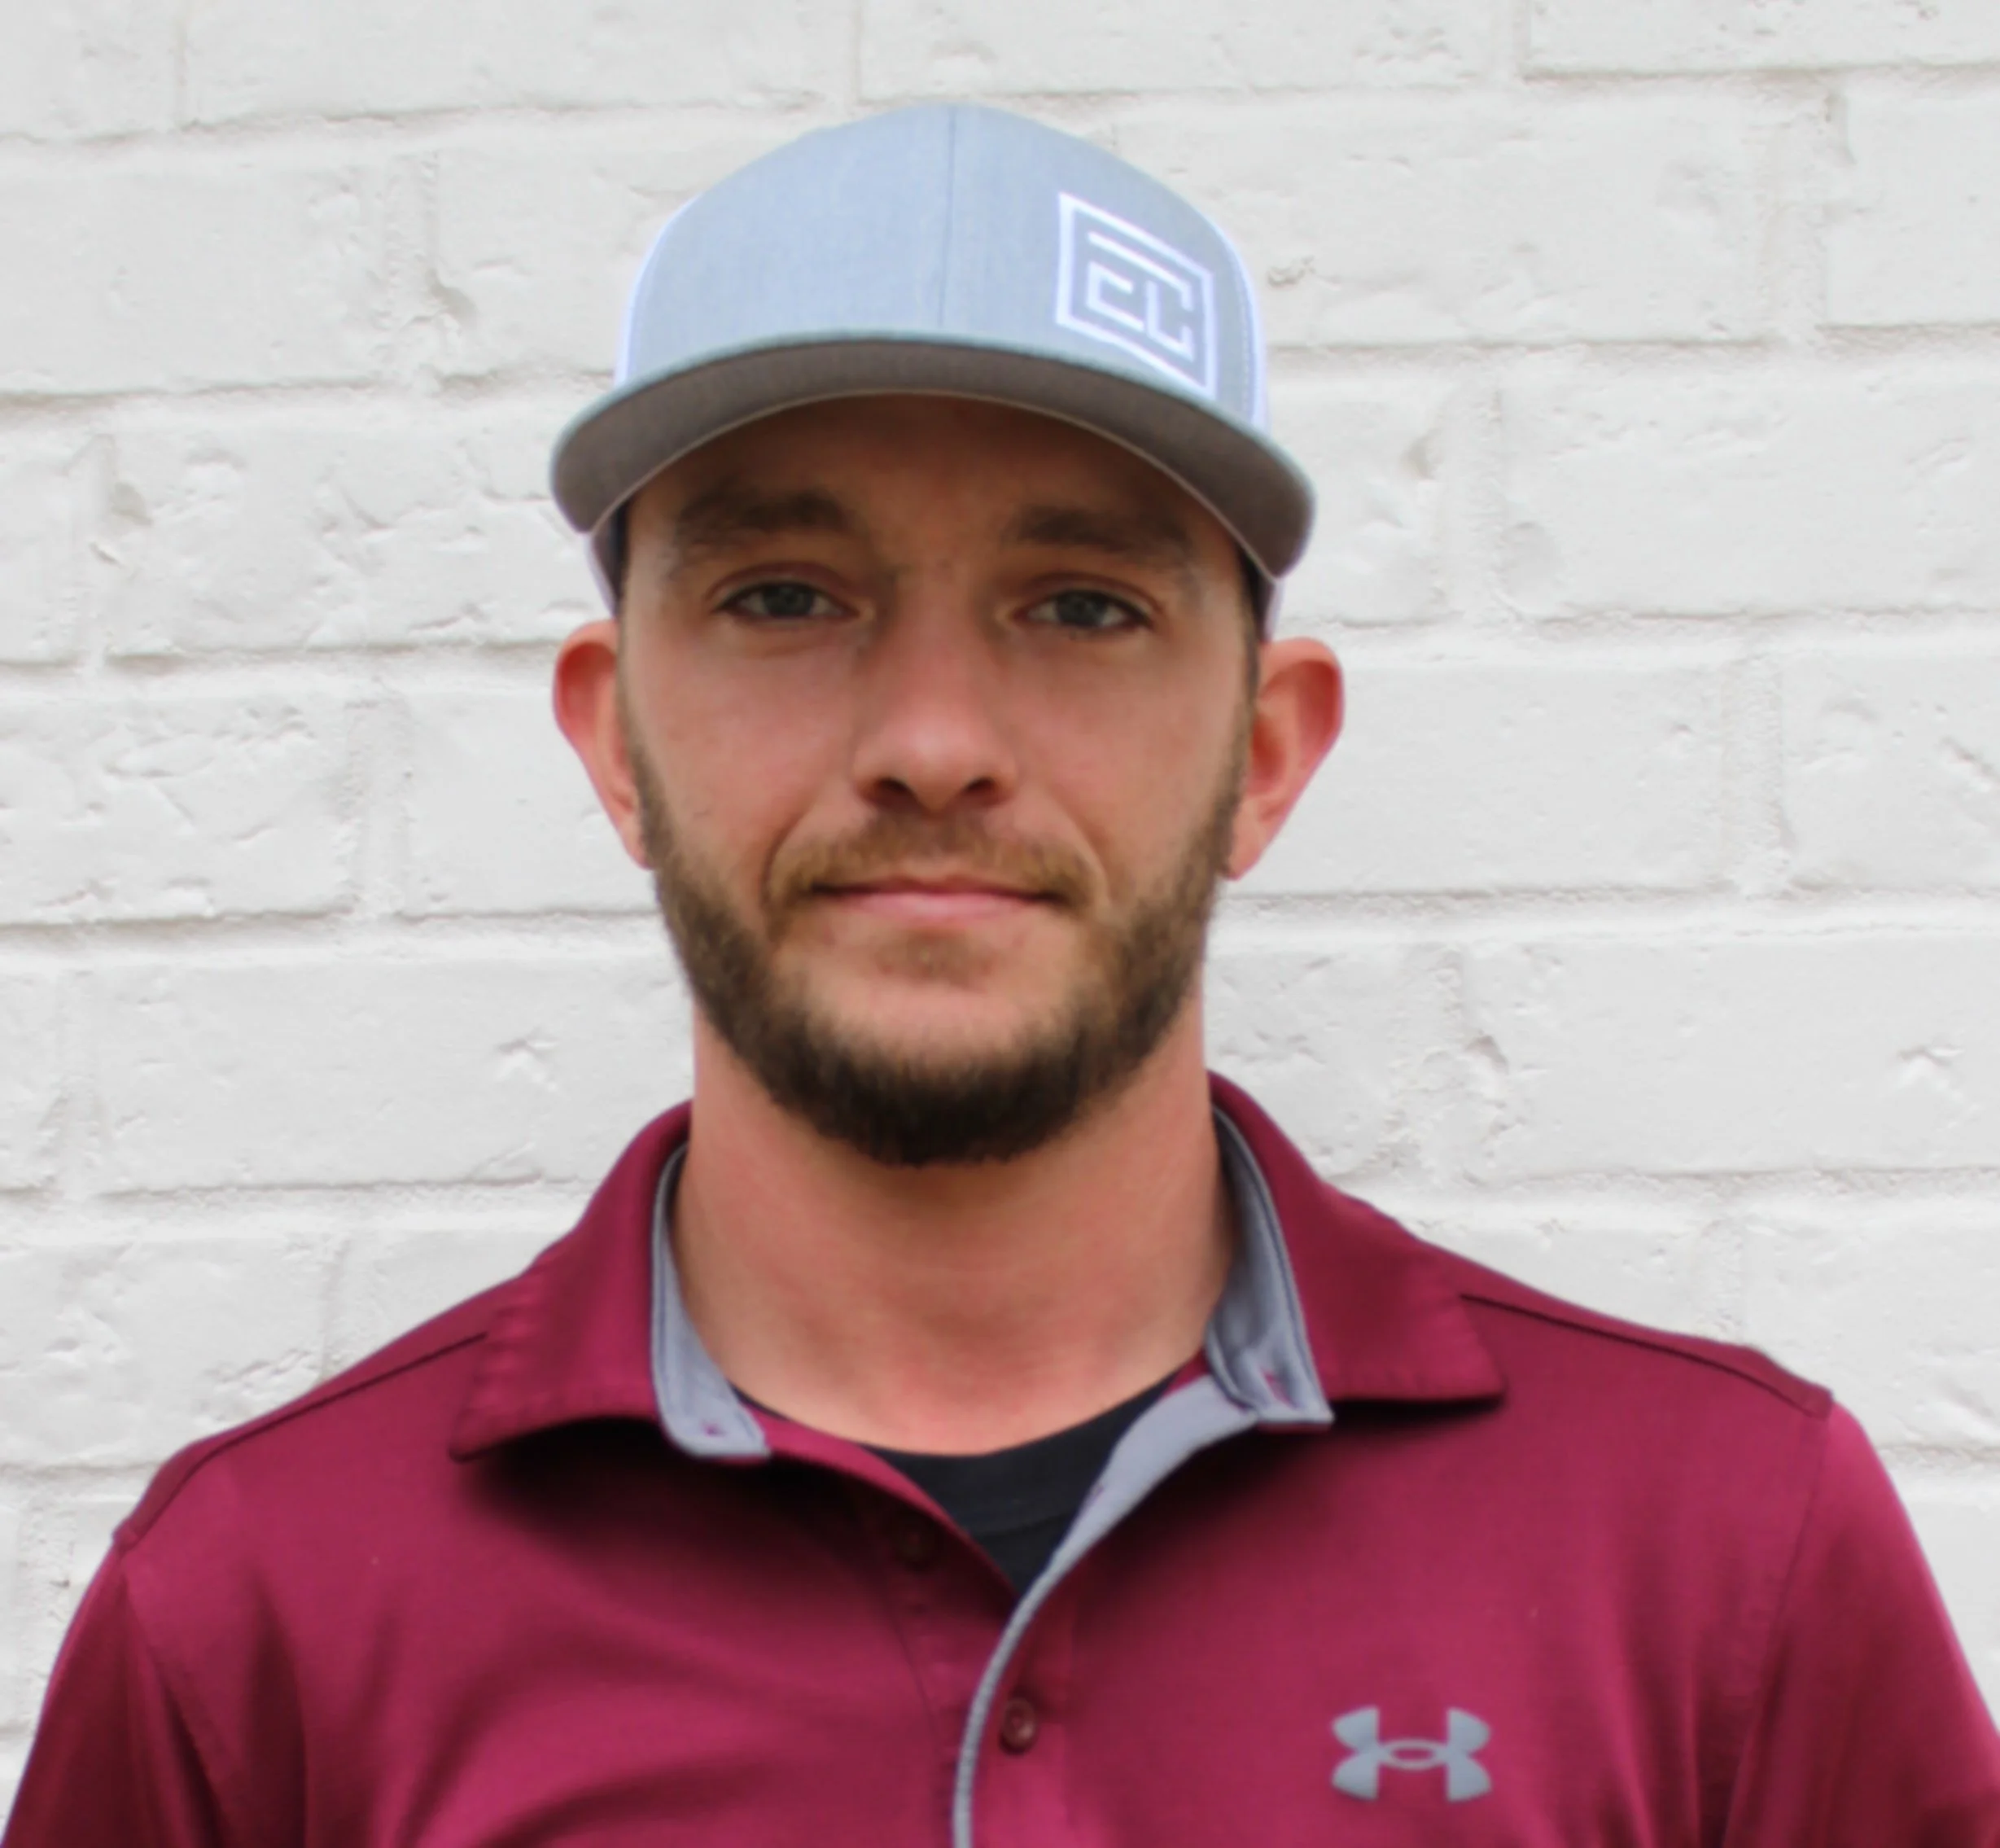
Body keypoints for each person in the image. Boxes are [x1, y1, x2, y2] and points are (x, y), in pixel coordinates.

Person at [7, 103, 1998, 1848]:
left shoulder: (1720, 1557)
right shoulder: (256, 1620)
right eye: (785, 595)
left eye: (1082, 606)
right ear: (615, 738)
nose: (935, 740)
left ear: (1266, 752)